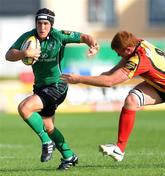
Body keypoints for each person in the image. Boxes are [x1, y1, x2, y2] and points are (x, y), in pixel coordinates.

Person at [61, 30, 165, 162]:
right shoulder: (138, 44)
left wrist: (80, 79)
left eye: (119, 52)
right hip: (160, 87)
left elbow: (110, 81)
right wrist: (87, 78)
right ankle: (119, 149)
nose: (118, 55)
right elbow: (110, 74)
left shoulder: (139, 59)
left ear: (128, 50)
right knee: (132, 100)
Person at [5, 8, 99, 170]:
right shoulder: (29, 37)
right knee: (48, 127)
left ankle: (47, 143)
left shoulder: (59, 35)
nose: (42, 27)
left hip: (58, 85)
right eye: (39, 23)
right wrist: (24, 52)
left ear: (51, 25)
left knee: (24, 107)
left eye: (46, 23)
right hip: (41, 88)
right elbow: (9, 55)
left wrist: (93, 44)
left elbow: (85, 37)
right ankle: (69, 156)